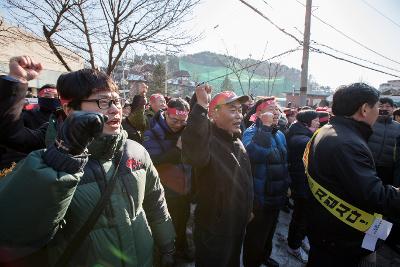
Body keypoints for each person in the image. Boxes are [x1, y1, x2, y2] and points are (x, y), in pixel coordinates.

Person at [0, 56, 175, 267]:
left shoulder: (135, 151)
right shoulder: (48, 161)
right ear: (69, 109)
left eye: (117, 101)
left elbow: (155, 202)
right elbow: (18, 233)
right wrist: (16, 83)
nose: (114, 109)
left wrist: (167, 244)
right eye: (102, 102)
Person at [304, 83, 400, 267]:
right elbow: (374, 196)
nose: (379, 112)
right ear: (364, 109)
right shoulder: (348, 143)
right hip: (341, 239)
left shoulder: (328, 131)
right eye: (377, 107)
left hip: (326, 230)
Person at [181, 88, 253, 267]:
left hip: (236, 225)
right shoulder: (208, 141)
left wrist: (247, 209)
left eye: (240, 110)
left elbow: (244, 181)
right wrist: (201, 106)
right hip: (214, 229)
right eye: (232, 110)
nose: (239, 116)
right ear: (214, 113)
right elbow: (194, 154)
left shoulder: (236, 140)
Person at [143, 98, 193, 262]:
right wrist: (178, 149)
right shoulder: (151, 133)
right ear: (165, 113)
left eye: (182, 121)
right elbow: (154, 160)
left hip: (184, 188)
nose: (178, 124)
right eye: (174, 120)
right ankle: (167, 255)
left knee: (183, 222)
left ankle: (182, 248)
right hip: (163, 191)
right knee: (166, 226)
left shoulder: (187, 131)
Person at [242, 97, 290, 267]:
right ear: (259, 113)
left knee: (269, 232)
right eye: (271, 109)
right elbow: (253, 155)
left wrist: (287, 185)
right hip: (260, 198)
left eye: (277, 109)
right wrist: (265, 129)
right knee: (256, 236)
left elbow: (284, 163)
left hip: (276, 196)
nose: (276, 112)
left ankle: (265, 256)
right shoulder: (252, 133)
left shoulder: (280, 134)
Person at [286, 110, 320, 264]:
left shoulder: (301, 132)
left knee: (304, 216)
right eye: (316, 120)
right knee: (300, 216)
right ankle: (293, 246)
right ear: (308, 122)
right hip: (301, 184)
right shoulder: (301, 138)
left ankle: (299, 241)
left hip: (305, 183)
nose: (319, 122)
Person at [368, 97, 400, 186]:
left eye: (388, 106)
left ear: (393, 108)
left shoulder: (398, 127)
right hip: (368, 164)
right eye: (381, 106)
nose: (384, 109)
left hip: (388, 168)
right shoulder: (369, 123)